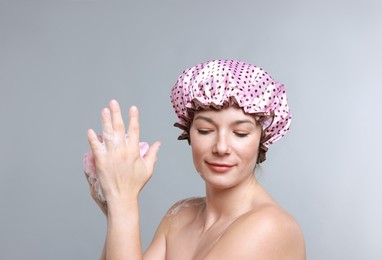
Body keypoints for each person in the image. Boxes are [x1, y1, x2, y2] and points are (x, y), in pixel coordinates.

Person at [84, 60, 306, 259]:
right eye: (205, 130)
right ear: (188, 132)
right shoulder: (180, 215)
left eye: (240, 133)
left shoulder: (271, 228)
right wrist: (115, 208)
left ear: (262, 139)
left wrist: (124, 202)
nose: (221, 147)